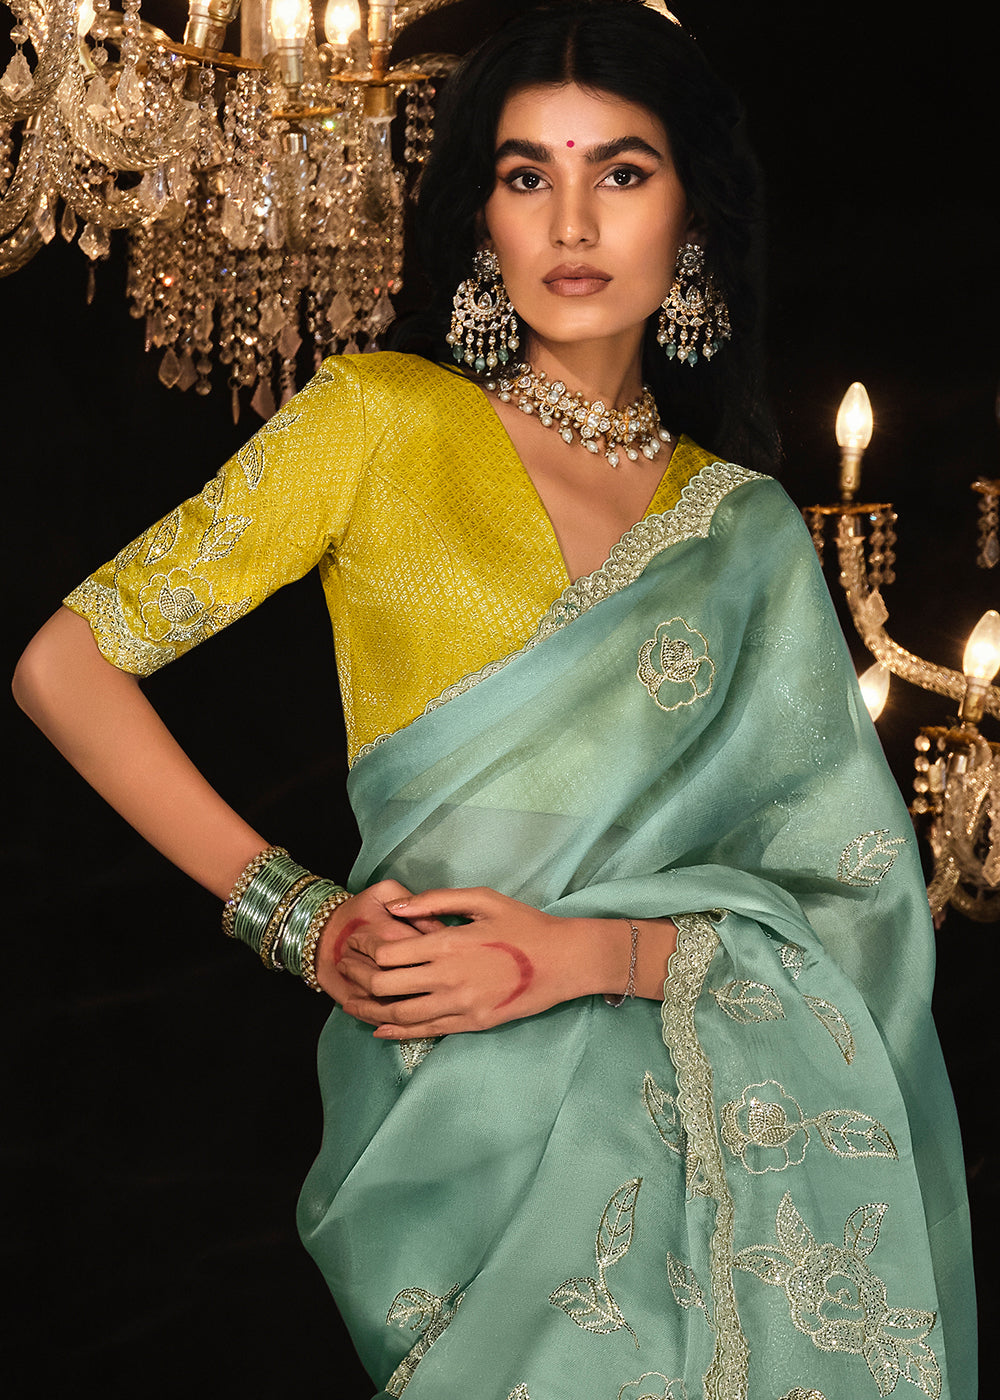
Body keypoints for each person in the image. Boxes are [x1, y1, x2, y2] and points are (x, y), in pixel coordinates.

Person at [13, 2, 976, 1396]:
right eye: (529, 175)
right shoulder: (376, 420)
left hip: (681, 1119)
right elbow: (63, 664)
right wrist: (298, 916)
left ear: (693, 215)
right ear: (484, 219)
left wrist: (593, 957)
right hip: (445, 1109)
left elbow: (852, 905)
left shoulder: (744, 531)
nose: (571, 222)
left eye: (622, 172)